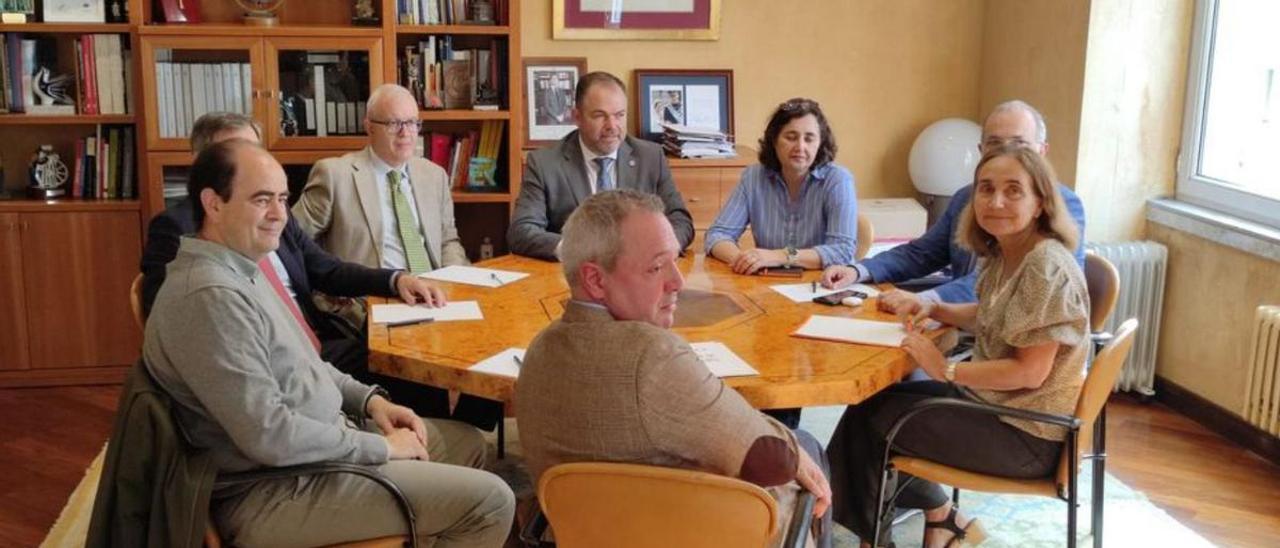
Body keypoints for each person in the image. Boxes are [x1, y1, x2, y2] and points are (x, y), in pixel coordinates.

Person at [144, 139, 514, 547]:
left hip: (319, 451)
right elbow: (269, 436)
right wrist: (379, 447)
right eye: (262, 200)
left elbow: (309, 363)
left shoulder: (242, 269)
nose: (279, 215)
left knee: (467, 443)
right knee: (491, 502)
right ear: (213, 203)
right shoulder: (209, 299)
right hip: (272, 489)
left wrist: (372, 402)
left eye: (283, 199)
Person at [516, 189, 833, 547]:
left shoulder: (539, 350)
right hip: (686, 532)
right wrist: (786, 438)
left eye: (674, 261)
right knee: (806, 449)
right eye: (655, 267)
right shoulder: (652, 356)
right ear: (595, 280)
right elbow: (770, 461)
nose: (678, 282)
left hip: (579, 533)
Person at [826, 145, 1089, 548]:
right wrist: (933, 306)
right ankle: (937, 522)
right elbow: (990, 313)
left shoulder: (1045, 267)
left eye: (1013, 191)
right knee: (870, 407)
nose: (995, 201)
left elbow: (1029, 372)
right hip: (996, 407)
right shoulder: (1010, 252)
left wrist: (943, 368)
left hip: (1028, 435)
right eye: (985, 188)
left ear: (1040, 203)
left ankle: (887, 535)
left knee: (878, 426)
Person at [137, 112, 453, 417]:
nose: (275, 208)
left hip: (314, 337)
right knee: (407, 365)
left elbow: (328, 269)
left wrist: (395, 280)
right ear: (204, 170)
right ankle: (433, 449)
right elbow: (172, 317)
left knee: (418, 349)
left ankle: (448, 443)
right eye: (237, 153)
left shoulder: (277, 214)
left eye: (255, 151)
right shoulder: (177, 230)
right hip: (268, 356)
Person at [821, 100, 1085, 312]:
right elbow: (920, 254)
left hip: (1015, 358)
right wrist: (858, 270)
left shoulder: (1062, 206)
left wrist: (927, 300)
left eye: (1019, 145)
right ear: (981, 150)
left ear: (1042, 151)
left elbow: (1007, 288)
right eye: (994, 144)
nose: (1005, 154)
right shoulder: (964, 198)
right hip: (967, 329)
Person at [508, 71, 694, 260]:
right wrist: (580, 251)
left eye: (619, 115)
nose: (612, 126)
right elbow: (522, 232)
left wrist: (661, 249)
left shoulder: (651, 157)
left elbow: (680, 220)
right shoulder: (545, 163)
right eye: (599, 116)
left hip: (639, 271)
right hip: (573, 277)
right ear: (577, 117)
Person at [293, 83, 468, 272]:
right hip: (370, 293)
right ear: (369, 127)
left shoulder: (434, 176)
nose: (406, 133)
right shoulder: (335, 175)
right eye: (394, 124)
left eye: (412, 123)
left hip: (432, 291)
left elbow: (448, 240)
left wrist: (455, 281)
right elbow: (290, 240)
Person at [706, 98, 858, 274]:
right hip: (768, 283)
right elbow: (717, 235)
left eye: (809, 139)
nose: (800, 147)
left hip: (823, 285)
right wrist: (745, 261)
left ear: (820, 143)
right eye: (791, 137)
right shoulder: (753, 177)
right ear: (774, 140)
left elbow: (842, 251)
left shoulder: (838, 180)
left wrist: (779, 256)